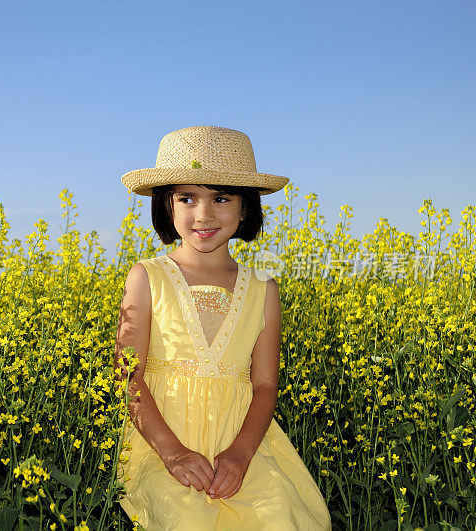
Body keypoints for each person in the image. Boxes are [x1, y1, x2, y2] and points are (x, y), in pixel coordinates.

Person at [114, 126, 332, 530]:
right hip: (162, 442)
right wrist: (173, 453)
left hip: (242, 444)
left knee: (278, 518)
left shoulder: (264, 289)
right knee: (185, 521)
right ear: (167, 207)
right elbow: (129, 375)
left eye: (221, 198)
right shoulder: (147, 277)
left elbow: (265, 384)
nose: (204, 214)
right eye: (187, 198)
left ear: (245, 208)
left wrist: (240, 454)